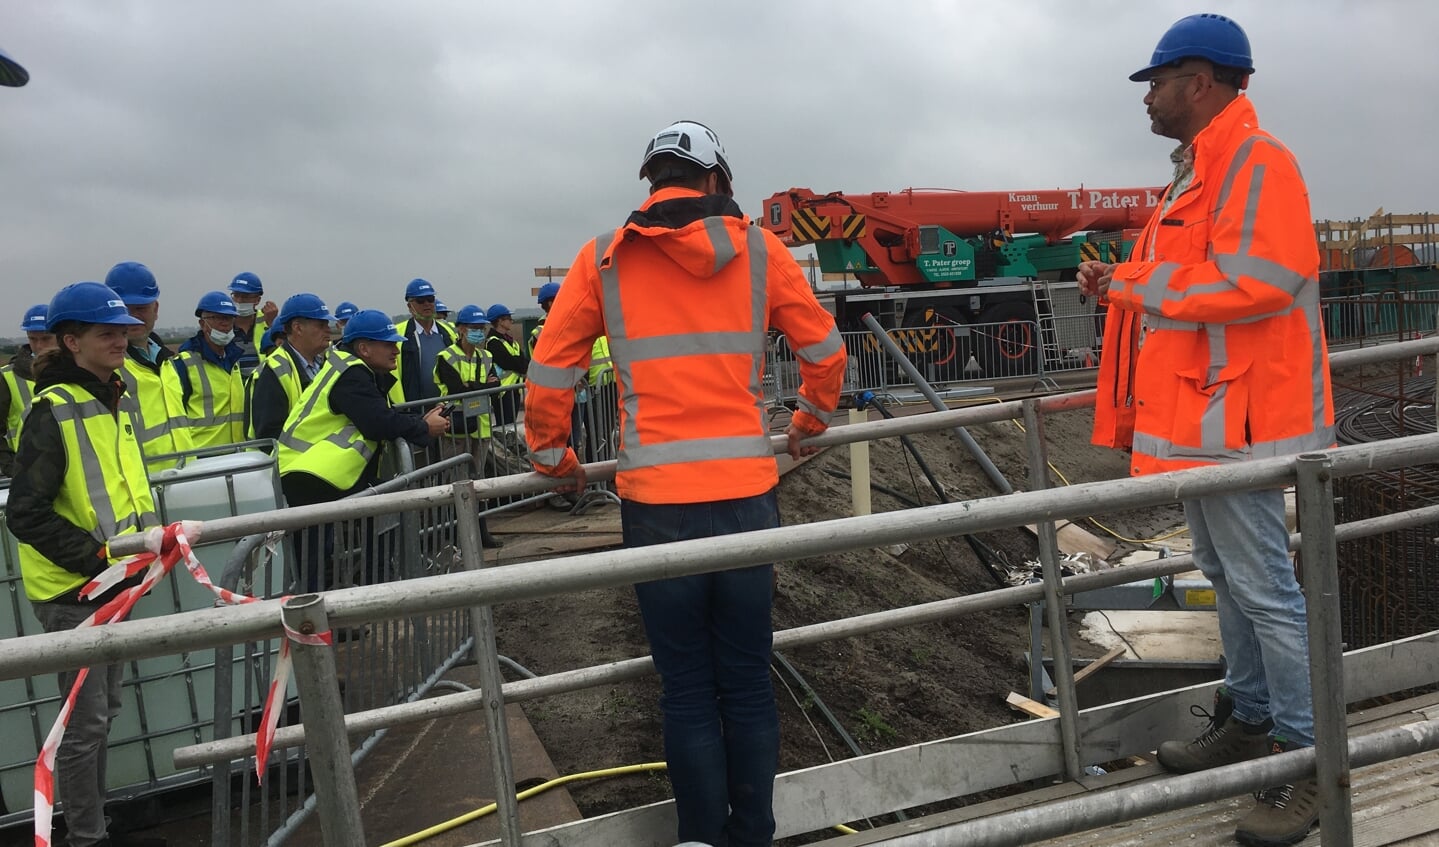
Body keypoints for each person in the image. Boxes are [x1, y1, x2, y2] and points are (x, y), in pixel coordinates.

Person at [524, 120, 846, 847]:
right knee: (746, 679)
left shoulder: (602, 260)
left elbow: (550, 374)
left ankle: (700, 836)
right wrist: (808, 420)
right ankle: (752, 835)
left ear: (653, 181)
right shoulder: (760, 252)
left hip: (656, 505)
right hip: (743, 498)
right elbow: (825, 355)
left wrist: (554, 461)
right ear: (713, 182)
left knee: (688, 689)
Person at [1080, 14, 1333, 847]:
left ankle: (1308, 761)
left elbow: (1255, 279)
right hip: (1204, 421)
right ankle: (1250, 720)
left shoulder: (1256, 163)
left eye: (1154, 82)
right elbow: (1190, 281)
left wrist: (1135, 281)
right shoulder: (1199, 174)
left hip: (1244, 423)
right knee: (1229, 580)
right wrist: (1122, 281)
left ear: (1199, 79)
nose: (1147, 98)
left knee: (1266, 591)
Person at [6, 282, 165, 847]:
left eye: (124, 330)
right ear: (71, 341)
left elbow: (121, 491)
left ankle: (91, 823)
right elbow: (25, 514)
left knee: (104, 712)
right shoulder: (53, 411)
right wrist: (97, 556)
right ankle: (86, 837)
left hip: (113, 585)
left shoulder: (112, 398)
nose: (121, 339)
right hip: (74, 592)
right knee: (85, 722)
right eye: (107, 332)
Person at [277, 309, 449, 591]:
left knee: (324, 557)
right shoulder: (352, 374)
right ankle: (326, 622)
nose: (396, 350)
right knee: (315, 564)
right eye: (387, 344)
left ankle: (363, 599)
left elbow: (378, 416)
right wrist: (423, 429)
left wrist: (420, 422)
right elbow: (377, 422)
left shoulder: (352, 370)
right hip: (308, 477)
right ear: (364, 348)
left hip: (320, 477)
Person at [105, 261, 192, 471]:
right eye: (126, 308)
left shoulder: (167, 361)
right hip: (139, 485)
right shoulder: (106, 367)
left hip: (185, 475)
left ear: (156, 309)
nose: (134, 316)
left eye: (141, 308)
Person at [433, 304, 502, 548]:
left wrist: (473, 386)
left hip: (480, 428)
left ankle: (481, 533)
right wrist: (480, 386)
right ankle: (458, 537)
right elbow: (456, 390)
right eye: (473, 328)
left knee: (479, 482)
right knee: (457, 484)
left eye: (481, 328)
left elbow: (496, 386)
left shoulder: (487, 356)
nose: (478, 332)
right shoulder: (446, 357)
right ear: (461, 329)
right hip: (455, 429)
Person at [164, 291, 247, 450]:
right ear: (203, 324)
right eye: (217, 318)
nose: (224, 324)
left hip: (236, 454)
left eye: (229, 319)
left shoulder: (233, 360)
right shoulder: (184, 365)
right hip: (201, 458)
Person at [247, 293, 332, 444]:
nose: (328, 330)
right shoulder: (272, 371)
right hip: (287, 464)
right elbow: (269, 437)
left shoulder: (323, 363)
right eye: (321, 325)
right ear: (298, 328)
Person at [1, 304, 57, 476]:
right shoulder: (6, 378)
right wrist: (11, 467)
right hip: (27, 472)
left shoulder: (77, 371)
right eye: (33, 339)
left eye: (46, 339)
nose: (39, 346)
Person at [394, 278, 457, 406]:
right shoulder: (399, 334)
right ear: (410, 305)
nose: (427, 304)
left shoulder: (448, 331)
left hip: (448, 406)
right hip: (415, 409)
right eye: (420, 300)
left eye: (430, 299)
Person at [484, 303, 527, 437]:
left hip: (514, 389)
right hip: (502, 391)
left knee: (511, 426)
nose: (511, 321)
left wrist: (519, 362)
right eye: (508, 318)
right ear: (500, 321)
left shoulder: (510, 341)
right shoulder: (493, 342)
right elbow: (508, 362)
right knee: (504, 427)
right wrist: (519, 363)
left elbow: (523, 361)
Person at [228, 271, 278, 373]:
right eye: (236, 295)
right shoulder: (224, 323)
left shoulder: (267, 320)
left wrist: (272, 324)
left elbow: (282, 354)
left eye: (245, 296)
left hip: (262, 384)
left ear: (257, 300)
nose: (239, 300)